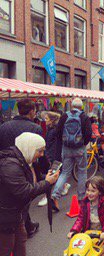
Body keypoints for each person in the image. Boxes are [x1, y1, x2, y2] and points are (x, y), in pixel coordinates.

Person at [0, 133, 59, 256]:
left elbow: (32, 181)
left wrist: (47, 179)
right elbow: (25, 191)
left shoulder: (22, 160)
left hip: (16, 214)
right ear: (30, 148)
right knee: (6, 248)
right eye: (40, 151)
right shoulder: (10, 165)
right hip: (6, 217)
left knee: (21, 242)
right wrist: (47, 182)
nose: (42, 155)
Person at [0, 99, 43, 237]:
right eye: (35, 111)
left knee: (12, 198)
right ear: (31, 111)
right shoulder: (35, 128)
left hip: (5, 166)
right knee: (25, 197)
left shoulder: (4, 126)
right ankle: (23, 227)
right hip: (24, 167)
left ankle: (26, 226)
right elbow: (39, 153)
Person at [51, 98, 92, 211]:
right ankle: (81, 198)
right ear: (81, 106)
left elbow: (58, 132)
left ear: (71, 106)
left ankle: (54, 196)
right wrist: (83, 143)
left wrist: (65, 143)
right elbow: (88, 133)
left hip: (67, 148)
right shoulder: (84, 117)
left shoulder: (64, 116)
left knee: (65, 173)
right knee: (82, 172)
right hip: (79, 148)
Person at [38, 111, 71, 207]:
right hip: (54, 155)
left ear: (52, 120)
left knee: (52, 174)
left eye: (47, 119)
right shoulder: (53, 129)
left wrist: (49, 156)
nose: (45, 120)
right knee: (57, 173)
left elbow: (53, 145)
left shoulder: (54, 130)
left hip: (54, 155)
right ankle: (64, 186)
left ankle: (47, 196)